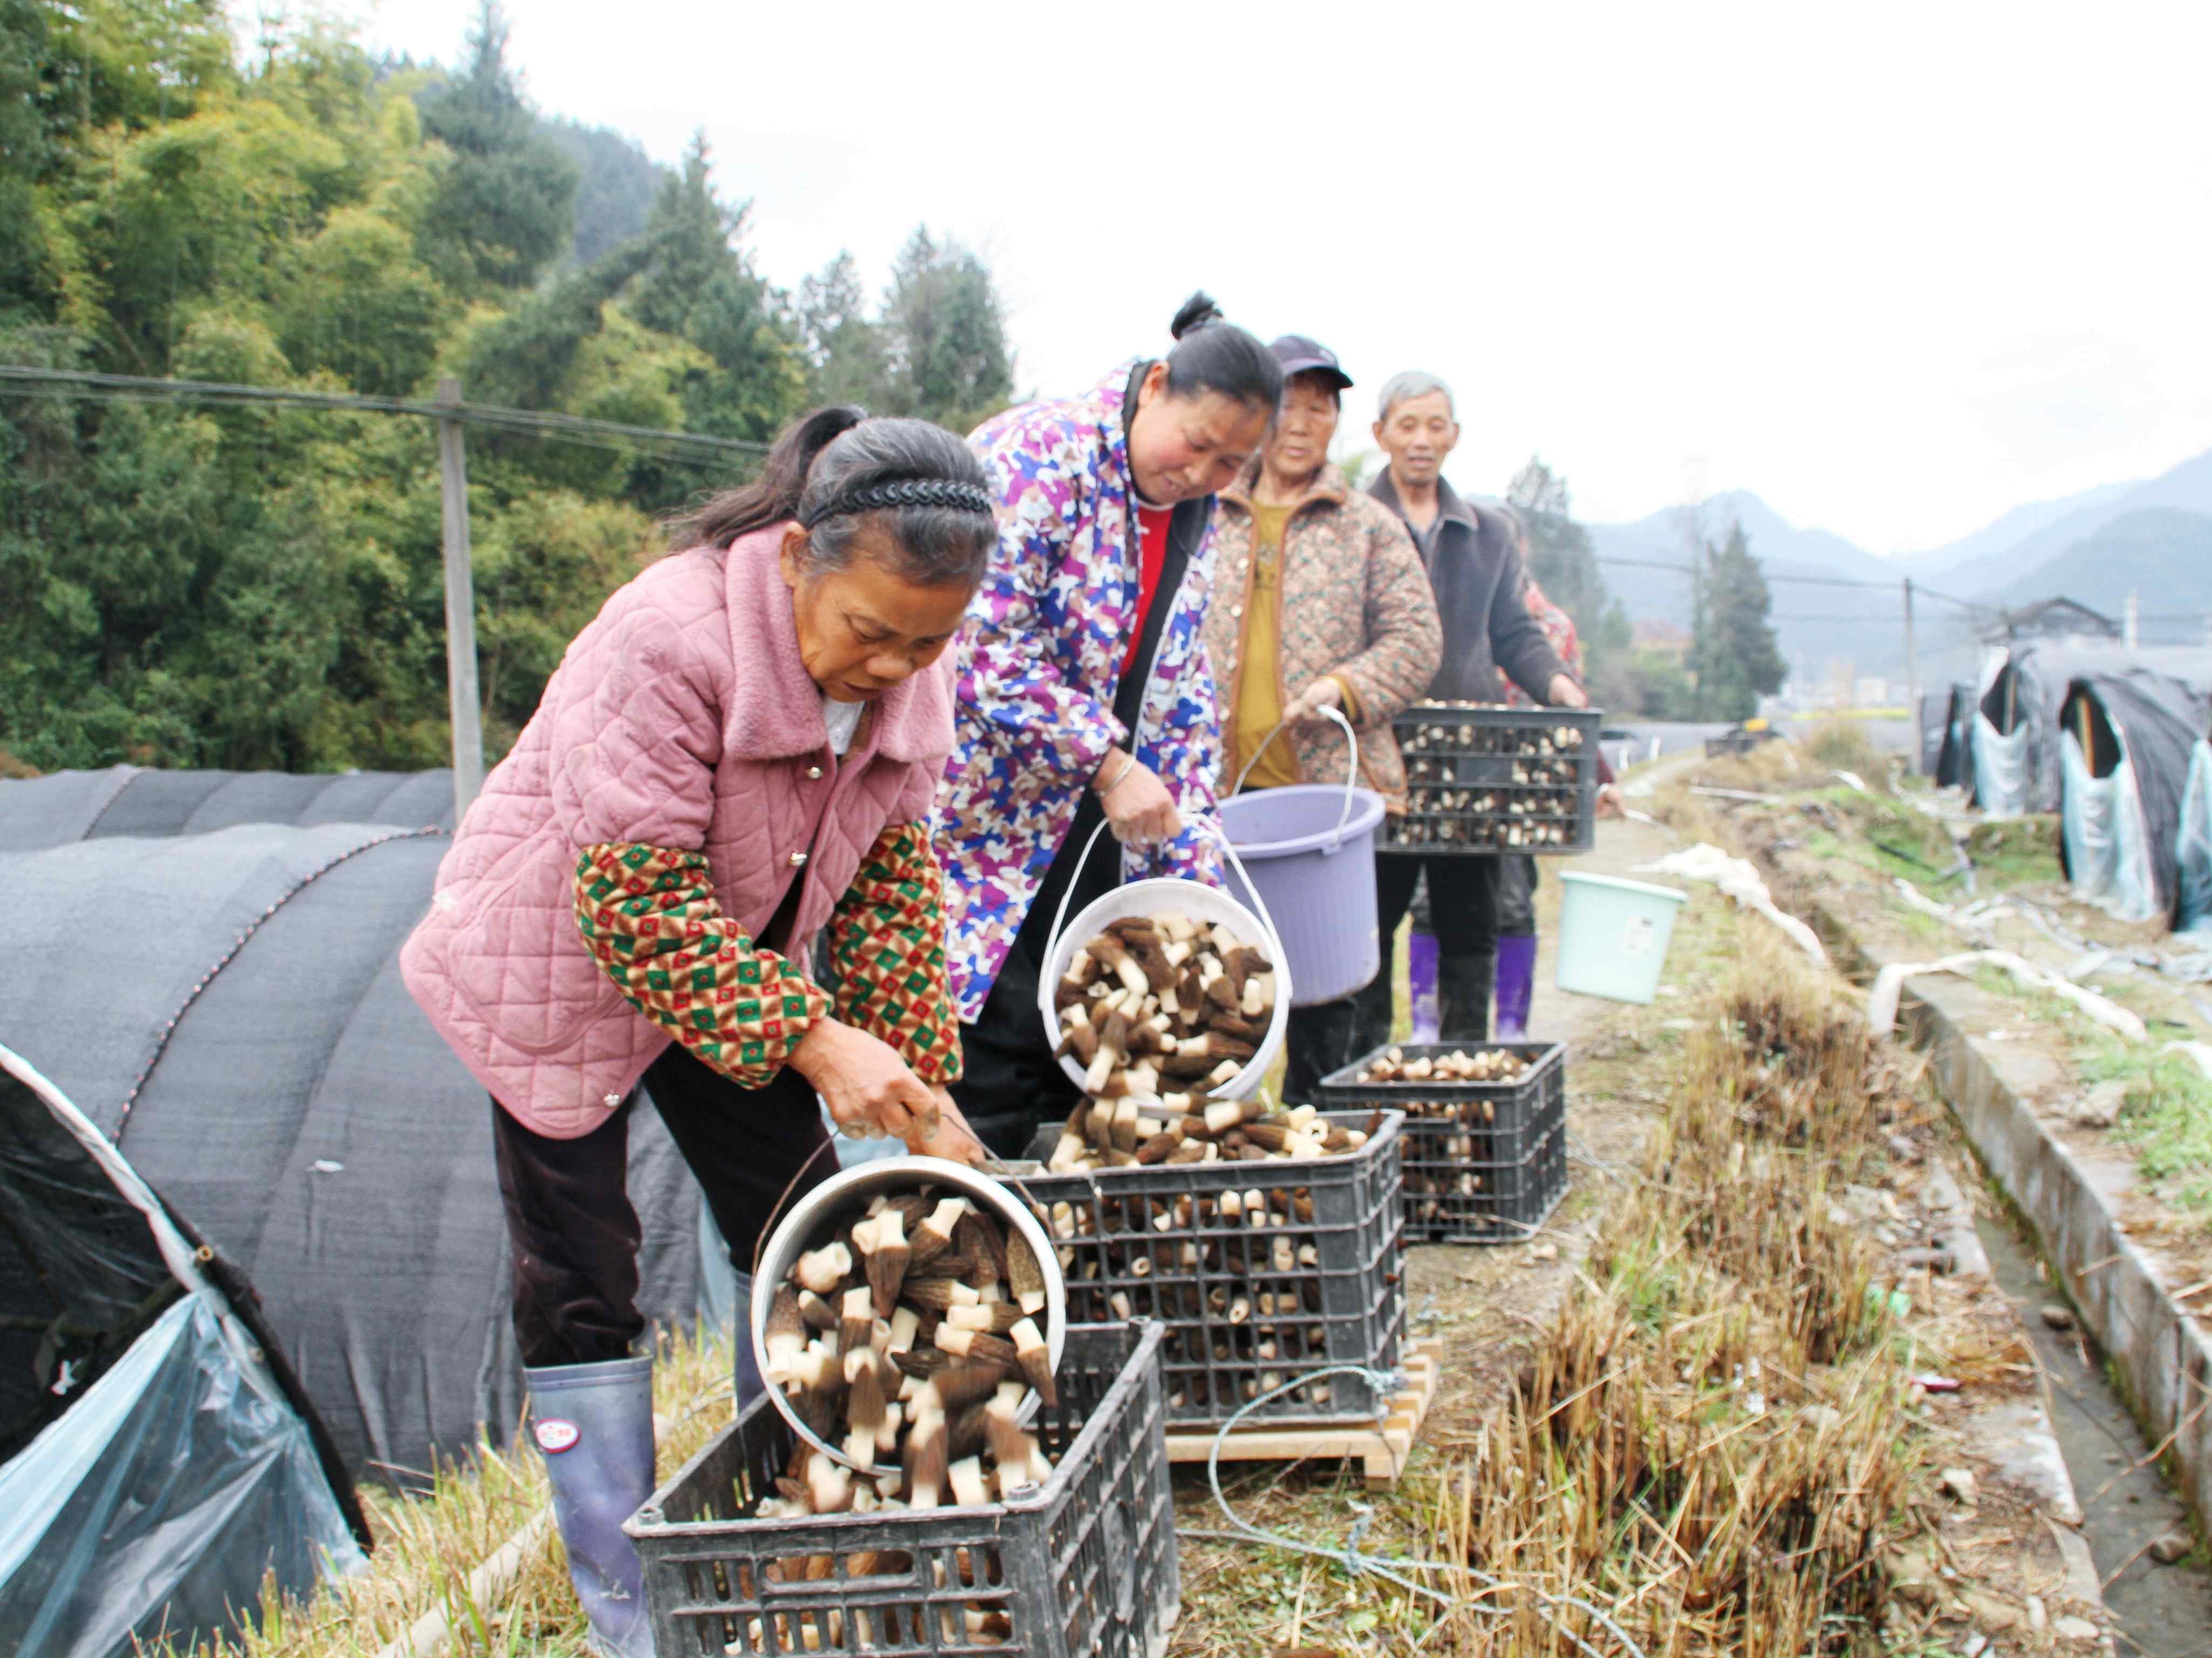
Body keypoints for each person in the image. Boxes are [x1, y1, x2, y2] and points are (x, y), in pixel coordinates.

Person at [400, 409, 997, 1658]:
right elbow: (636, 901)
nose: (893, 665)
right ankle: (635, 1609)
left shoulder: (913, 666)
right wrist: (820, 1041)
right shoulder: (665, 640)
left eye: (926, 641)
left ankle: (796, 1522)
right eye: (869, 634)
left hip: (731, 965)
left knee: (797, 1220)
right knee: (582, 1279)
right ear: (795, 561)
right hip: (562, 957)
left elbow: (887, 879)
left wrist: (921, 1086)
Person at [940, 293, 1283, 1156]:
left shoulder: (1193, 509)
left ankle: (1086, 1265)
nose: (1205, 473)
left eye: (1231, 464)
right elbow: (975, 641)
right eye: (1196, 444)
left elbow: (1176, 682)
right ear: (1155, 385)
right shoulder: (1038, 454)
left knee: (1104, 1047)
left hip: (1105, 826)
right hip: (992, 825)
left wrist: (1191, 859)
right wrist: (1103, 762)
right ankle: (989, 1238)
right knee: (994, 1050)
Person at [1203, 334, 1441, 1100]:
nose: (1303, 421)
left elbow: (1416, 640)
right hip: (1214, 793)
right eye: (1289, 404)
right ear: (1257, 412)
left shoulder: (1366, 525)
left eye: (1321, 407)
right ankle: (1226, 1142)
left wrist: (1343, 684)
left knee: (1325, 984)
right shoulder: (1203, 513)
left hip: (1321, 798)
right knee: (1218, 982)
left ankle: (1317, 1144)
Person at [1349, 371, 1587, 1056]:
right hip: (1380, 753)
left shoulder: (1487, 533)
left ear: (1454, 436)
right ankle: (1366, 1072)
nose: (1421, 441)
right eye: (1407, 426)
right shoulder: (1356, 522)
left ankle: (1461, 1078)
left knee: (1470, 925)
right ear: (1381, 435)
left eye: (1435, 426)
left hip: (1469, 757)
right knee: (1372, 924)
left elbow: (1515, 631)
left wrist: (1561, 688)